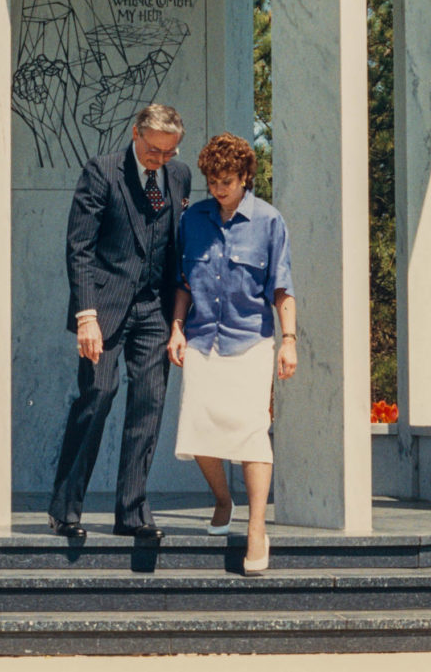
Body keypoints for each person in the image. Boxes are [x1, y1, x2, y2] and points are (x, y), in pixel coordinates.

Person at [47, 104, 192, 540]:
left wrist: (179, 322)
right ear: (135, 134)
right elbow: (80, 248)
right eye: (153, 150)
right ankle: (65, 509)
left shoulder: (180, 176)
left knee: (149, 404)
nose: (159, 160)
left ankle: (132, 513)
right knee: (98, 394)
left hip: (154, 309)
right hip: (105, 309)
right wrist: (86, 315)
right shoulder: (102, 172)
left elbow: (175, 248)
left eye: (168, 153)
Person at [167, 132, 296, 575]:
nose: (220, 188)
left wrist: (289, 341)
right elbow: (184, 283)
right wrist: (177, 329)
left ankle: (257, 528)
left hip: (251, 342)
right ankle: (224, 499)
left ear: (245, 177)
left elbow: (282, 287)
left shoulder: (269, 221)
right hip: (203, 339)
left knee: (251, 432)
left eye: (228, 180)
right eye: (213, 181)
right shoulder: (194, 220)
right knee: (198, 430)